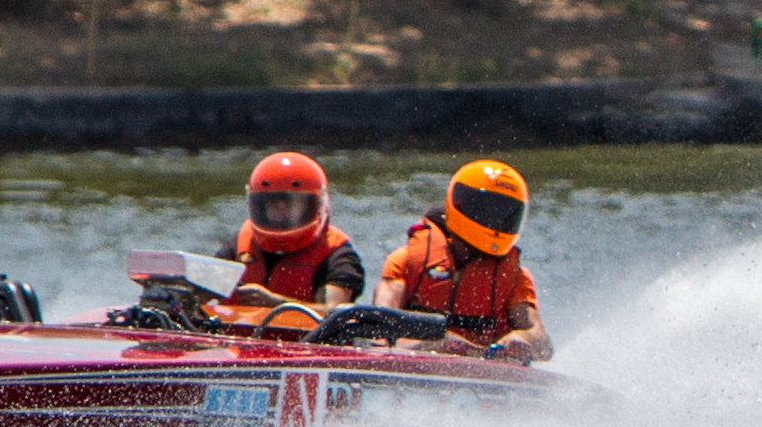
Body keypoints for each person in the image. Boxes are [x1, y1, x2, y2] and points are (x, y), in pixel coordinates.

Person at [376, 158, 553, 362]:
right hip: (411, 364)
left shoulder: (515, 278)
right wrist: (436, 343)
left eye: (505, 213)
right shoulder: (405, 260)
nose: (497, 220)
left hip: (485, 376)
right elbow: (380, 324)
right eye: (490, 210)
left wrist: (522, 339)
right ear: (461, 204)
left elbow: (542, 342)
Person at [217, 150, 365, 313]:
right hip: (239, 335)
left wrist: (277, 303)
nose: (281, 215)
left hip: (304, 337)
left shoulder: (338, 255)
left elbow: (334, 312)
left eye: (292, 206)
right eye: (273, 205)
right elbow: (206, 286)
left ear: (317, 205)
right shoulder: (239, 244)